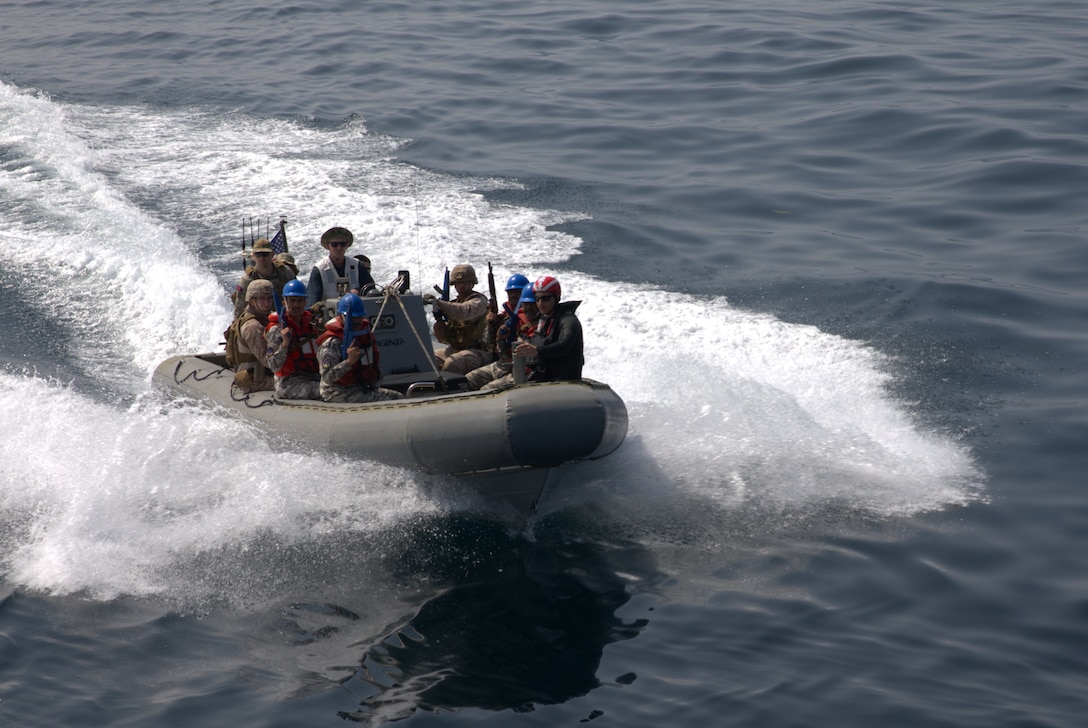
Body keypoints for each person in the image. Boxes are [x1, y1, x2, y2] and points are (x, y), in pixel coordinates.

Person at [316, 293, 404, 403]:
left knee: (398, 397)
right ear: (342, 316)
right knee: (386, 402)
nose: (357, 321)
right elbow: (327, 378)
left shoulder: (365, 336)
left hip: (360, 388)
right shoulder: (332, 343)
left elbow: (374, 368)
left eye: (359, 317)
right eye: (353, 318)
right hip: (337, 392)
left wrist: (374, 385)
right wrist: (348, 362)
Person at [472, 283, 543, 391]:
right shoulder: (511, 319)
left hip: (522, 372)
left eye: (532, 304)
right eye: (526, 304)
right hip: (504, 364)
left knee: (486, 390)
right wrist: (496, 334)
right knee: (468, 379)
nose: (528, 308)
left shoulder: (541, 326)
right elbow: (491, 347)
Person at [465, 275, 530, 390]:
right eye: (511, 292)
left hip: (517, 368)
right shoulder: (503, 317)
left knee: (486, 390)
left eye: (518, 292)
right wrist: (491, 326)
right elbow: (488, 346)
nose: (513, 295)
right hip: (500, 364)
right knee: (467, 380)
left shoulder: (529, 319)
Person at [514, 275, 584, 381]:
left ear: (557, 297)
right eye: (537, 299)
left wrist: (538, 351)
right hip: (542, 377)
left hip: (563, 381)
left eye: (545, 298)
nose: (540, 304)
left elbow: (565, 345)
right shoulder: (545, 319)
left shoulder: (568, 321)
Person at [426, 263, 491, 374]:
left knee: (453, 363)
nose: (462, 286)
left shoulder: (479, 302)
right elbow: (443, 339)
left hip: (478, 352)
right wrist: (440, 322)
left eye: (466, 282)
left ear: (472, 283)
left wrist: (439, 303)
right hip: (455, 349)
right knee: (427, 360)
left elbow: (463, 312)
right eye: (459, 283)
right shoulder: (453, 305)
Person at [264, 279, 321, 400]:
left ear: (305, 302)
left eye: (300, 301)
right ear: (284, 302)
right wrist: (285, 344)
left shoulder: (310, 327)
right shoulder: (276, 330)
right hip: (288, 384)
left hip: (313, 378)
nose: (296, 305)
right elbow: (273, 366)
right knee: (327, 391)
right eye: (292, 301)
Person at [306, 227, 377, 311]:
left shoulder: (357, 265)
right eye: (334, 244)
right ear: (328, 246)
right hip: (330, 318)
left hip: (357, 316)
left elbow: (370, 290)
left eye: (342, 244)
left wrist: (358, 291)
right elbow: (313, 301)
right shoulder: (319, 269)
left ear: (347, 245)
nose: (339, 248)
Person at [232, 237, 297, 318]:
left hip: (283, 317)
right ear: (253, 256)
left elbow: (297, 296)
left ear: (272, 255)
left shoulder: (285, 272)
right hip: (259, 321)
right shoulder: (247, 280)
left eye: (265, 254)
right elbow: (239, 308)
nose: (261, 258)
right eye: (258, 255)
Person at [232, 279, 276, 392]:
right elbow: (268, 362)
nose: (267, 303)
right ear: (251, 301)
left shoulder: (265, 317)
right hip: (255, 381)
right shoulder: (252, 327)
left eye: (269, 298)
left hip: (264, 375)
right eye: (262, 299)